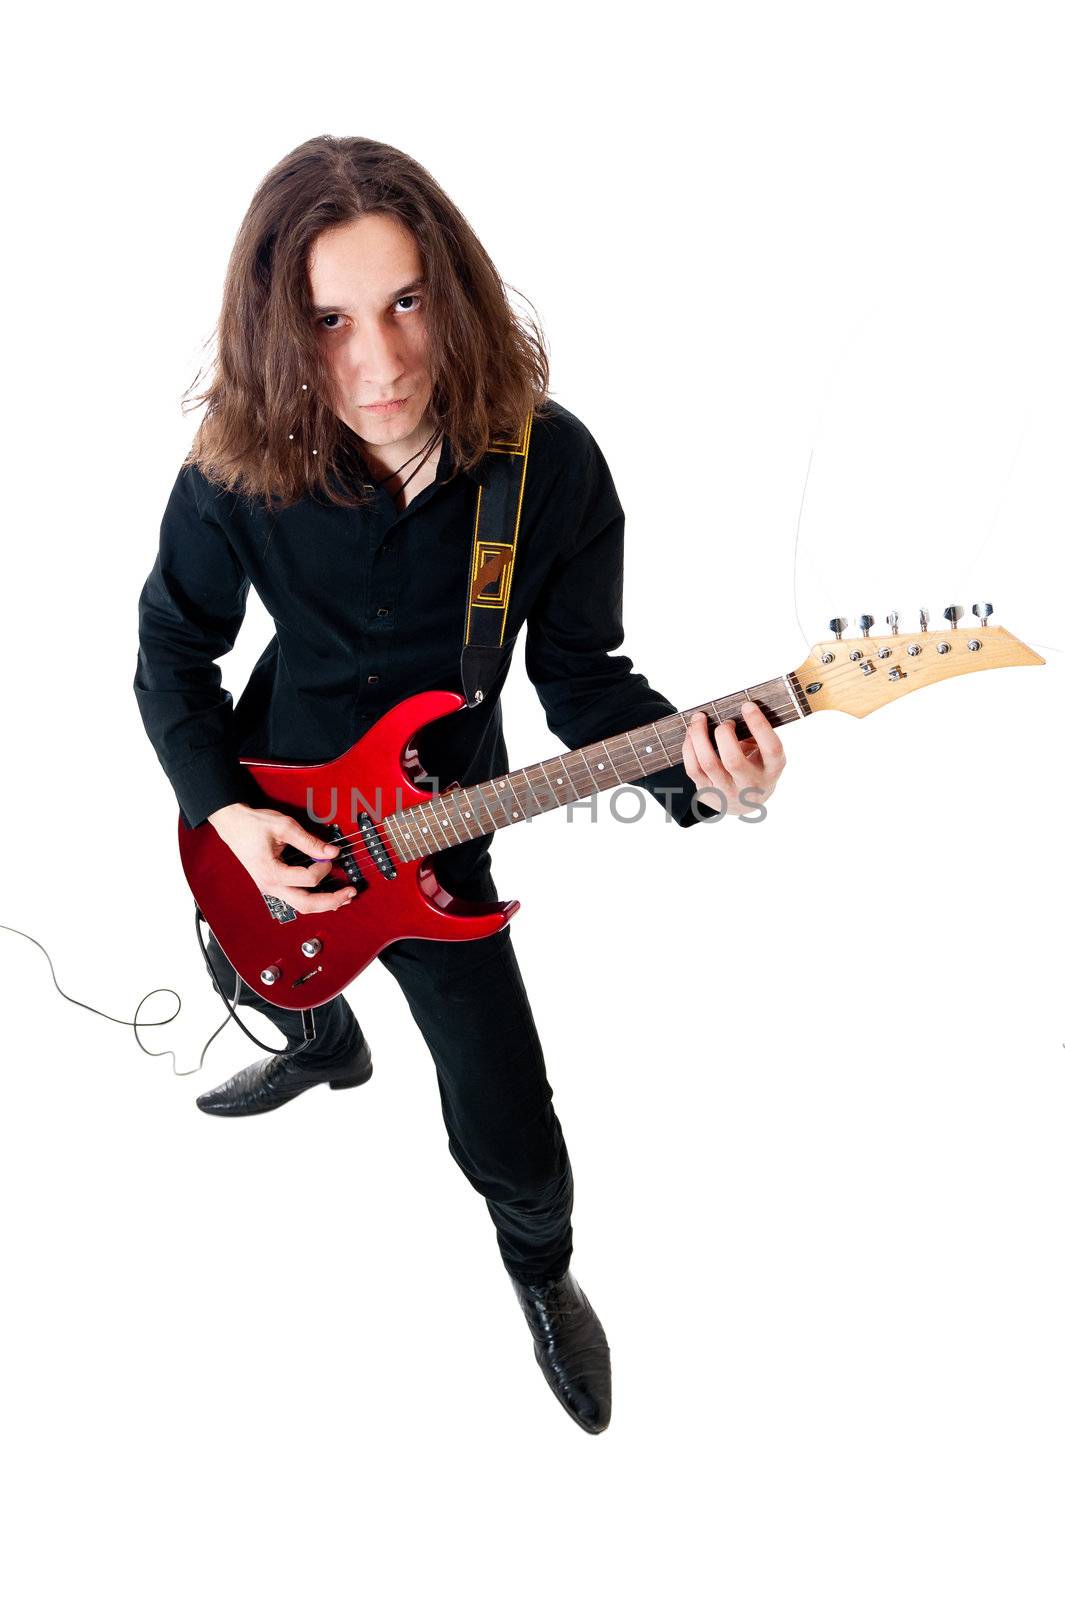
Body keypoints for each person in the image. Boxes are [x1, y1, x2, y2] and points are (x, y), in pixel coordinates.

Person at [133, 135, 786, 1434]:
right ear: (278, 325)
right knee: (239, 953)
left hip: (441, 835)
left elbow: (588, 684)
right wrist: (230, 815)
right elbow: (173, 650)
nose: (374, 363)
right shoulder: (236, 468)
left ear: (454, 291)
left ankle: (541, 1277)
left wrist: (714, 779)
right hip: (271, 794)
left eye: (405, 304)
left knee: (514, 1127)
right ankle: (322, 1042)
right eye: (327, 321)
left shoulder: (549, 469)